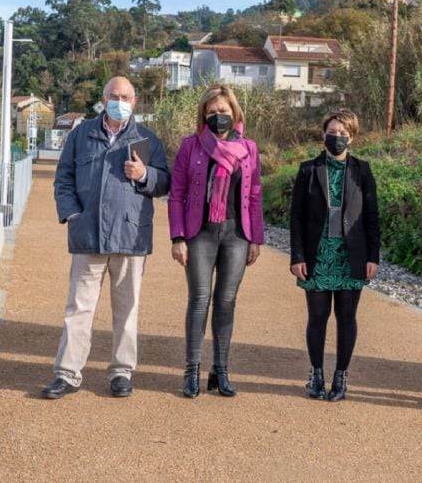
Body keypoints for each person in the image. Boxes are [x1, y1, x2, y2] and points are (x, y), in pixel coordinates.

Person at [43, 76, 170, 400]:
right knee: (78, 309)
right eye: (114, 95)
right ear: (103, 99)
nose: (119, 100)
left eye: (125, 96)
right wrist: (72, 215)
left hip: (131, 237)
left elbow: (165, 183)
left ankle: (121, 371)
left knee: (126, 310)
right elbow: (64, 178)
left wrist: (145, 175)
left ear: (135, 101)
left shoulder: (147, 139)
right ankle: (67, 374)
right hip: (88, 235)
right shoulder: (81, 135)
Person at [168, 84, 264, 398]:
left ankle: (220, 370)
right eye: (212, 112)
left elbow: (254, 195)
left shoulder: (248, 148)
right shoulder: (190, 146)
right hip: (200, 234)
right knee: (199, 300)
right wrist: (178, 237)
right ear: (203, 116)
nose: (218, 117)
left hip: (236, 234)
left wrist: (255, 239)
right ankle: (191, 370)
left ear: (234, 113)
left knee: (226, 302)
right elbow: (176, 194)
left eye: (223, 112)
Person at [289, 108, 379, 402]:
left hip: (350, 255)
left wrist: (372, 257)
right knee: (317, 316)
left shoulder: (362, 170)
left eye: (343, 133)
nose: (337, 137)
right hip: (318, 254)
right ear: (323, 133)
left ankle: (341, 376)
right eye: (333, 131)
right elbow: (297, 218)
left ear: (352, 137)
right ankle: (316, 374)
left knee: (346, 317)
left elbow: (372, 216)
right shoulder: (308, 170)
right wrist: (297, 256)